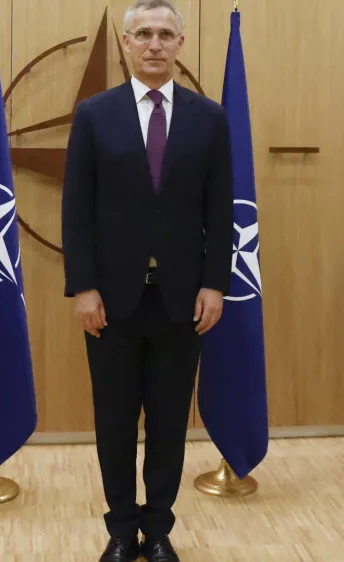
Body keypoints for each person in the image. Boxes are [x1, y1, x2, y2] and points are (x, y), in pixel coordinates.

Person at [61, 1, 233, 560]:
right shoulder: (93, 114)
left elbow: (220, 209)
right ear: (127, 44)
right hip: (111, 301)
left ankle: (157, 530)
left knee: (167, 424)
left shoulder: (209, 118)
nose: (154, 44)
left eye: (165, 34)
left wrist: (215, 283)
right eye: (143, 34)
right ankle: (119, 530)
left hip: (183, 300)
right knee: (114, 421)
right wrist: (82, 286)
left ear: (180, 44)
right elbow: (76, 209)